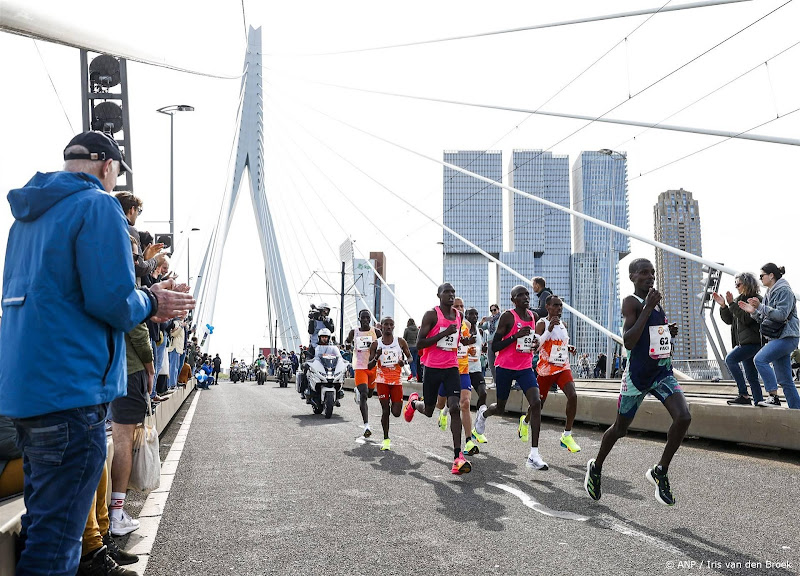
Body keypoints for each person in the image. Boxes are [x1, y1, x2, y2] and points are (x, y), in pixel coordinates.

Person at [0, 131, 194, 575]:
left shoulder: (25, 217)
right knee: (54, 547)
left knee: (43, 523)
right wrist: (153, 300)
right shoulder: (98, 206)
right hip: (71, 392)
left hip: (25, 395)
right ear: (108, 167)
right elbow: (112, 299)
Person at [584, 258, 690, 507]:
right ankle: (596, 466)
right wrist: (648, 308)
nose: (650, 276)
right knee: (620, 429)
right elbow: (629, 341)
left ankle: (660, 471)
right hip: (637, 378)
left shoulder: (655, 303)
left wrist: (666, 330)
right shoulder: (632, 302)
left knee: (684, 417)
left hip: (662, 373)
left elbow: (650, 335)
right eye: (644, 272)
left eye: (652, 272)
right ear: (632, 277)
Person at [474, 285, 547, 470]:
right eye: (520, 295)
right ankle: (483, 415)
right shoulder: (508, 316)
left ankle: (534, 455)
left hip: (524, 367)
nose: (525, 297)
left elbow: (531, 341)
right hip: (505, 367)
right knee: (500, 408)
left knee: (536, 402)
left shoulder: (533, 317)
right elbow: (495, 346)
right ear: (513, 300)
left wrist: (535, 343)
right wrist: (515, 335)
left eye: (527, 294)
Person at [404, 283, 472, 474]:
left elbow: (455, 340)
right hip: (432, 368)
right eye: (447, 292)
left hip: (452, 367)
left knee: (454, 407)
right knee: (428, 410)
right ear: (438, 295)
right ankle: (414, 402)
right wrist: (443, 333)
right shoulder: (431, 315)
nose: (451, 296)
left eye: (453, 293)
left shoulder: (458, 316)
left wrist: (464, 342)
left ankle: (458, 456)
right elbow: (420, 343)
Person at [738, 263, 800, 408]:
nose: (760, 279)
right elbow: (765, 319)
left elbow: (782, 314)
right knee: (785, 380)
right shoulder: (769, 293)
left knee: (760, 359)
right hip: (778, 337)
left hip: (788, 336)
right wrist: (753, 311)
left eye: (762, 276)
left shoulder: (784, 290)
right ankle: (796, 412)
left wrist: (760, 306)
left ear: (771, 275)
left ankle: (773, 396)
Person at [528, 295, 580, 453]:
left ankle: (567, 435)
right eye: (556, 306)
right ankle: (525, 421)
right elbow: (535, 346)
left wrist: (568, 347)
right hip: (546, 370)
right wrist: (548, 329)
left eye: (561, 306)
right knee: (538, 405)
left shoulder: (563, 324)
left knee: (573, 396)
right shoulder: (541, 323)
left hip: (562, 367)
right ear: (548, 307)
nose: (559, 309)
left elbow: (560, 343)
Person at [434, 298, 479, 456]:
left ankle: (468, 442)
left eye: (462, 306)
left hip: (463, 370)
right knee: (439, 404)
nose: (460, 308)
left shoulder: (466, 325)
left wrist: (470, 350)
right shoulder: (442, 323)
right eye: (456, 306)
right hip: (446, 370)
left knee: (465, 403)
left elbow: (465, 344)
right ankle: (442, 410)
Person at [712, 272, 764, 405]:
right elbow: (729, 320)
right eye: (735, 284)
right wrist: (724, 306)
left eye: (738, 284)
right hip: (743, 342)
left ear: (747, 284)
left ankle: (743, 395)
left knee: (730, 359)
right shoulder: (737, 300)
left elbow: (747, 319)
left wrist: (732, 304)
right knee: (751, 376)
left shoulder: (756, 299)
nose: (736, 287)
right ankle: (759, 401)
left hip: (753, 342)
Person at [368, 317, 412, 451]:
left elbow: (410, 357)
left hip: (396, 381)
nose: (388, 327)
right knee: (385, 410)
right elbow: (369, 366)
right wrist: (376, 357)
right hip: (382, 381)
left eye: (391, 325)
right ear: (381, 326)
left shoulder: (400, 341)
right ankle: (386, 439)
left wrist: (403, 362)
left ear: (394, 327)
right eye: (385, 324)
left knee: (396, 413)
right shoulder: (376, 344)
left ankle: (410, 403)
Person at [346, 310, 380, 437]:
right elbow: (347, 341)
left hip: (372, 367)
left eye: (368, 318)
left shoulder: (376, 332)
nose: (366, 320)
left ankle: (359, 392)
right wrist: (349, 346)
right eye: (363, 318)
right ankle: (366, 426)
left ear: (370, 319)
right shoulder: (354, 332)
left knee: (370, 394)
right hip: (359, 366)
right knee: (364, 394)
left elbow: (384, 344)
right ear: (359, 319)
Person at [465, 307, 489, 420]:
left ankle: (479, 419)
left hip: (476, 369)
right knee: (457, 400)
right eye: (471, 314)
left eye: (476, 314)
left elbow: (478, 348)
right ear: (466, 316)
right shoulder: (462, 330)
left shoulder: (480, 331)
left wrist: (483, 349)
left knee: (483, 393)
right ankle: (444, 413)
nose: (474, 316)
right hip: (463, 369)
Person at [479, 304, 502, 381]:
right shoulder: (490, 320)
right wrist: (482, 321)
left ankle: (501, 381)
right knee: (491, 363)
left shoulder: (502, 318)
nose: (493, 312)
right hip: (490, 342)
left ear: (498, 309)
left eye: (494, 310)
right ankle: (495, 381)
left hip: (498, 342)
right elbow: (481, 327)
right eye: (491, 310)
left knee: (499, 362)